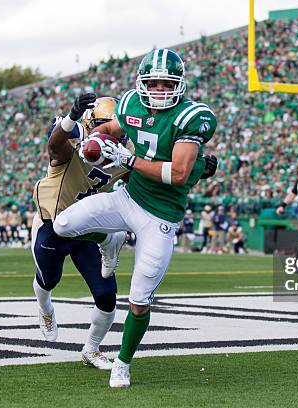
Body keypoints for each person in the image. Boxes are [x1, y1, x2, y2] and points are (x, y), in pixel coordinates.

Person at [52, 48, 218, 388]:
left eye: (165, 83)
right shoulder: (130, 104)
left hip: (160, 217)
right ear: (142, 83)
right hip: (127, 198)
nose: (158, 90)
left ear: (179, 85)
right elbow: (110, 128)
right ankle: (109, 240)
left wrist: (127, 160)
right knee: (62, 225)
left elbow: (180, 173)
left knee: (139, 301)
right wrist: (94, 143)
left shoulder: (192, 117)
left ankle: (123, 362)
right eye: (152, 83)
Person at [31, 96, 129, 370]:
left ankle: (91, 349)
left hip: (87, 229)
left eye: (118, 128)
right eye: (104, 127)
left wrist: (195, 168)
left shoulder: (126, 154)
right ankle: (45, 307)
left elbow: (145, 180)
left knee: (107, 296)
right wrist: (71, 116)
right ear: (89, 125)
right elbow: (54, 145)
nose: (115, 136)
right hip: (53, 225)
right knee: (49, 280)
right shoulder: (72, 147)